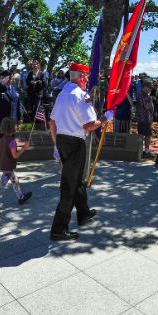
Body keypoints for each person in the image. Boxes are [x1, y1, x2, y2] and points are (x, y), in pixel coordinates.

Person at [49, 62, 112, 241]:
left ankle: (83, 212)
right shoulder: (80, 96)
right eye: (86, 77)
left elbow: (52, 122)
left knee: (77, 180)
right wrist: (105, 118)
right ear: (82, 77)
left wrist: (56, 144)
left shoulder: (62, 94)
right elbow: (89, 125)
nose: (87, 80)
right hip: (75, 142)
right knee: (69, 185)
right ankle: (58, 229)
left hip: (62, 139)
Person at [0, 117, 32, 217]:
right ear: (11, 127)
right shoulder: (12, 141)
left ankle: (21, 196)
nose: (17, 125)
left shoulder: (1, 139)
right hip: (8, 167)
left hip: (4, 165)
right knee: (0, 187)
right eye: (15, 124)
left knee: (15, 180)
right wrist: (24, 148)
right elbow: (15, 155)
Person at [0, 70, 24, 155]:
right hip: (1, 119)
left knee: (11, 138)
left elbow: (18, 104)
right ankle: (1, 157)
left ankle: (10, 155)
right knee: (0, 139)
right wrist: (1, 84)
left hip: (12, 118)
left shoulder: (16, 89)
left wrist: (20, 117)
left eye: (10, 77)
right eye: (7, 78)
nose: (9, 79)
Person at [135, 81, 155, 158]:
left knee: (144, 135)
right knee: (147, 135)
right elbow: (146, 107)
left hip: (147, 118)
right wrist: (150, 100)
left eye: (150, 88)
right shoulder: (141, 95)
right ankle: (146, 151)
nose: (148, 89)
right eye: (147, 87)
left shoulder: (146, 95)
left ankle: (142, 151)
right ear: (144, 87)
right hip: (143, 118)